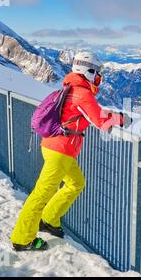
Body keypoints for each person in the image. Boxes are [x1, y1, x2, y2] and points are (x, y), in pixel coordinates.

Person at [10, 51, 129, 251]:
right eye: (97, 72)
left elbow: (92, 113)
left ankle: (48, 219)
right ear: (88, 70)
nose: (98, 77)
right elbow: (100, 121)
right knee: (40, 194)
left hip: (55, 147)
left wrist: (113, 115)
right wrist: (123, 119)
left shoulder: (72, 88)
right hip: (60, 151)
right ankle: (22, 239)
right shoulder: (82, 93)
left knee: (76, 183)